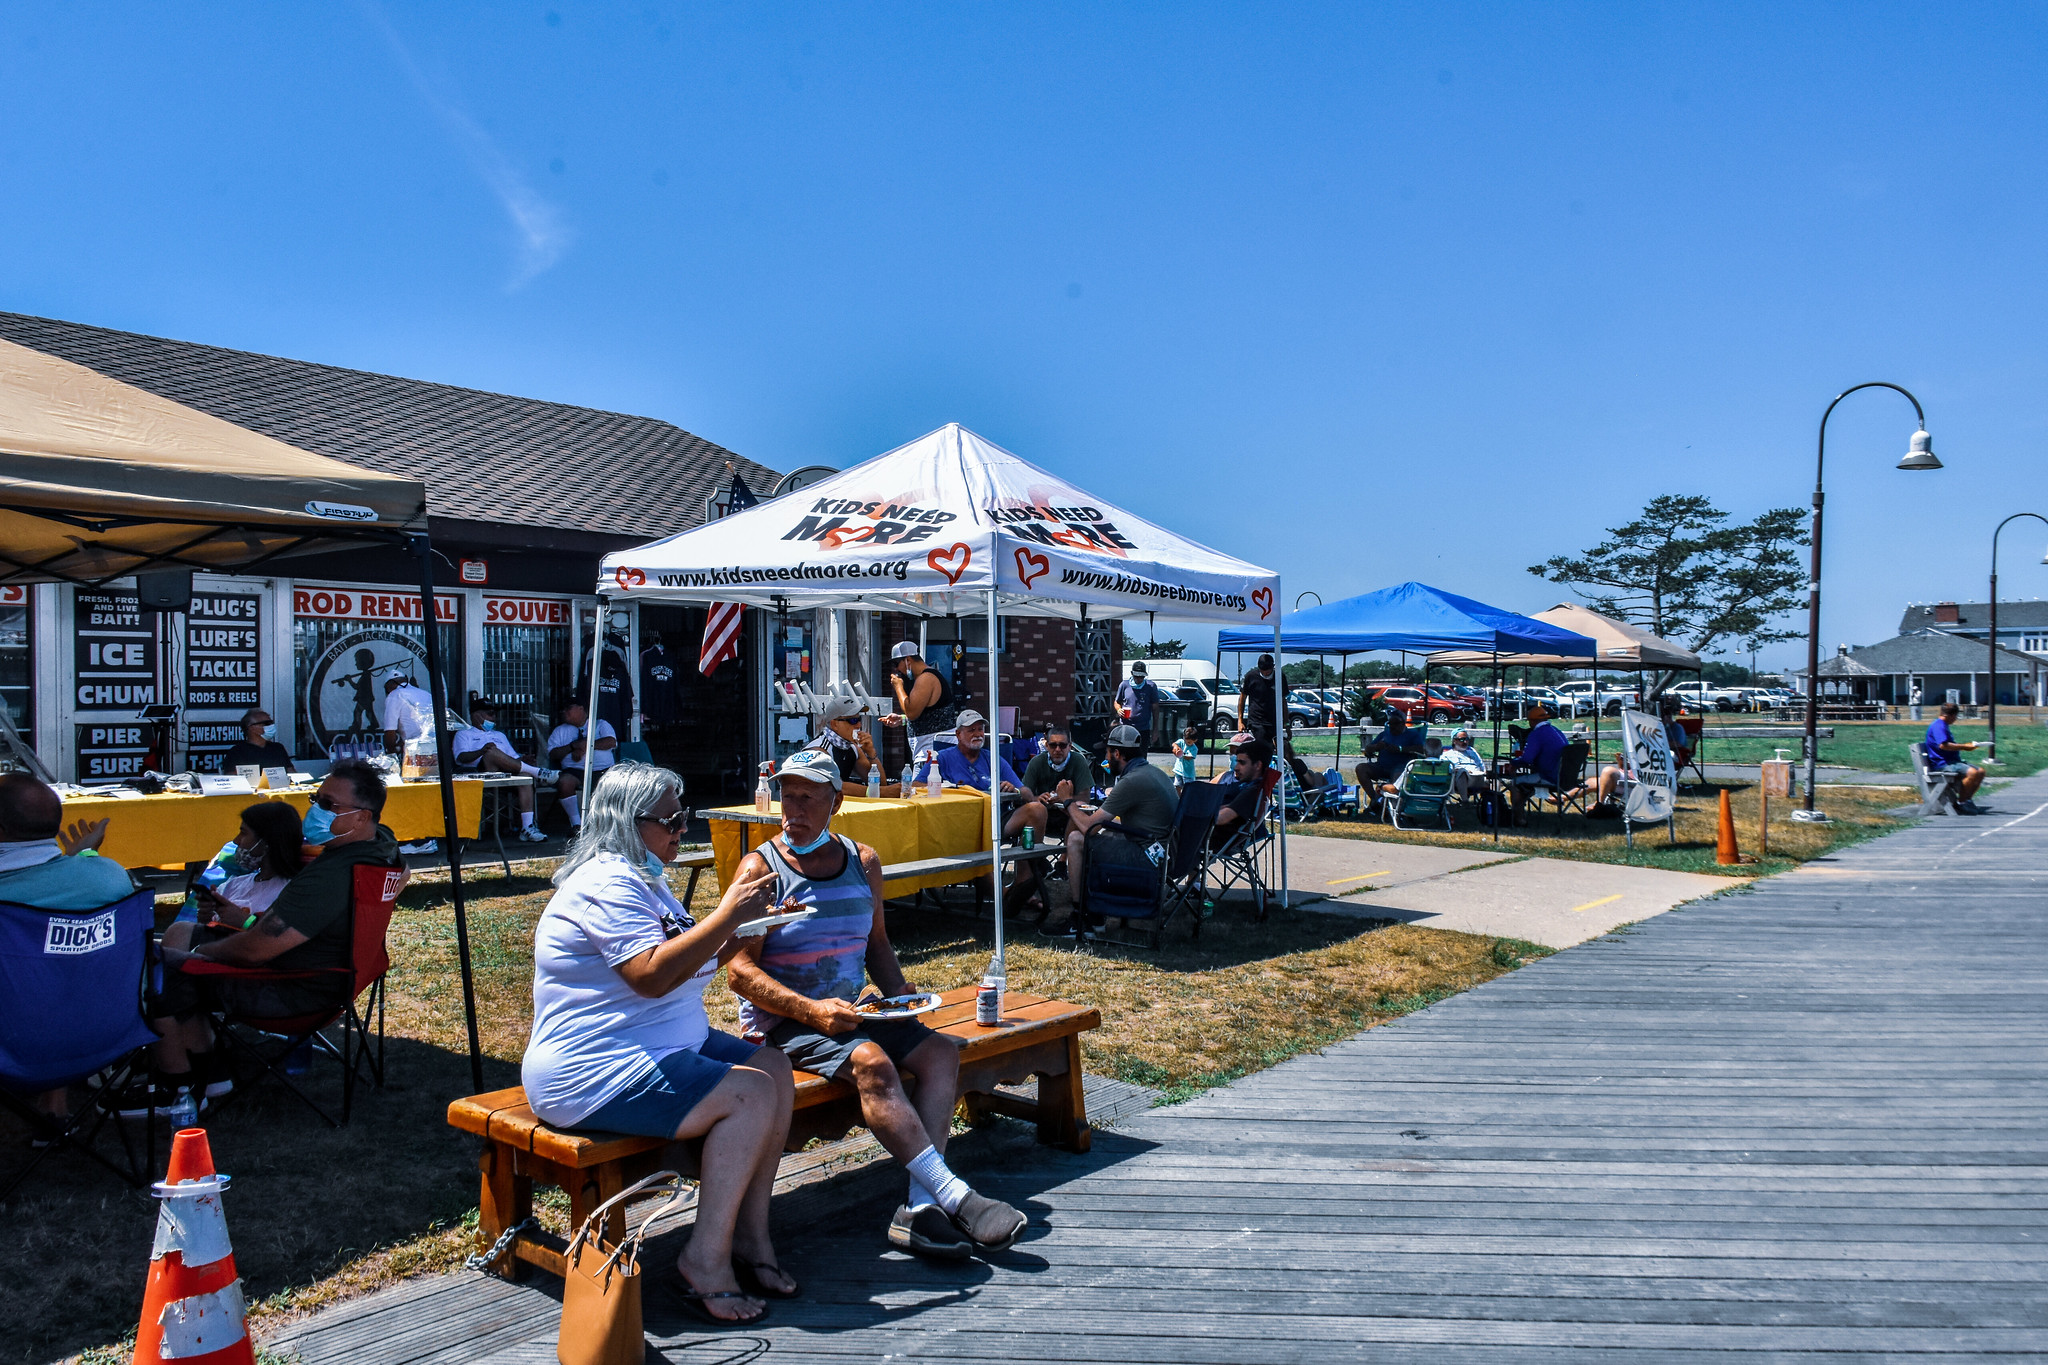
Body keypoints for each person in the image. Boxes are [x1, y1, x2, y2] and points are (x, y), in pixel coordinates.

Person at [726, 749, 1028, 1261]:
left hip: (852, 1012)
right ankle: (955, 1195)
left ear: (836, 803)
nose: (793, 809)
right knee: (873, 1063)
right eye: (787, 796)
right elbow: (739, 971)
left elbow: (877, 945)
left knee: (940, 1053)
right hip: (785, 1023)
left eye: (807, 798)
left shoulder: (862, 861)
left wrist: (903, 1001)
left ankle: (919, 1206)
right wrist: (811, 1011)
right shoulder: (761, 868)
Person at [523, 761, 796, 1324]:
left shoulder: (645, 878)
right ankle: (705, 1260)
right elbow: (650, 976)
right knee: (749, 1095)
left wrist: (749, 926)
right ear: (627, 821)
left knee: (775, 1069)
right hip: (595, 1067)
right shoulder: (607, 884)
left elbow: (687, 963)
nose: (681, 829)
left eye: (683, 816)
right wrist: (728, 913)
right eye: (670, 821)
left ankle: (750, 1235)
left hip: (659, 1044)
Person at [135, 760, 401, 1118]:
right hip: (338, 976)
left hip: (294, 990)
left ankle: (179, 1087)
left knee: (162, 969)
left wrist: (202, 953)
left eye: (329, 805)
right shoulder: (382, 847)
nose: (315, 811)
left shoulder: (330, 876)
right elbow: (404, 872)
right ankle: (210, 1072)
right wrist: (239, 926)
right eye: (316, 799)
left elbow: (254, 950)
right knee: (182, 938)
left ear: (361, 817)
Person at [0, 774, 134, 1121]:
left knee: (35, 983)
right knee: (57, 969)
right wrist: (83, 856)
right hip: (106, 1031)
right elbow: (52, 878)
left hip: (12, 1045)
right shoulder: (109, 876)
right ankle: (54, 1108)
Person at [1054, 724, 1178, 938]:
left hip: (1149, 859)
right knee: (1110, 834)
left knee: (1076, 839)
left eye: (1107, 752)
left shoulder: (1132, 781)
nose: (1105, 757)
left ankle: (1080, 918)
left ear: (1117, 754)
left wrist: (1067, 800)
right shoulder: (1154, 773)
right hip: (1164, 852)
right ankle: (1096, 915)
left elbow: (1089, 828)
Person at [185, 802, 305, 932]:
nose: (236, 841)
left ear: (267, 841)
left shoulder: (293, 893)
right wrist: (205, 916)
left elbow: (288, 938)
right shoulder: (232, 885)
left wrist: (246, 922)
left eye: (243, 833)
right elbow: (207, 932)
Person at [453, 700, 558, 843]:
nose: (494, 718)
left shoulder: (499, 735)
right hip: (481, 772)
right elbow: (461, 758)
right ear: (477, 715)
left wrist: (523, 759)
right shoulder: (464, 734)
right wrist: (482, 750)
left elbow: (513, 758)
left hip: (507, 772)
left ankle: (527, 827)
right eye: (490, 714)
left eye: (495, 714)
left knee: (525, 775)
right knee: (491, 751)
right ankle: (539, 773)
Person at [1584, 698, 1692, 813]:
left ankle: (1599, 804)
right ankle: (1571, 798)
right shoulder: (1652, 737)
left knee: (1606, 776)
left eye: (1662, 717)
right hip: (1633, 772)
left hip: (1662, 765)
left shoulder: (1676, 729)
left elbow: (1678, 744)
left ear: (1668, 717)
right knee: (1593, 781)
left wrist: (1658, 745)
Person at [880, 640, 960, 756]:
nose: (897, 669)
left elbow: (911, 713)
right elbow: (931, 715)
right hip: (929, 751)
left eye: (896, 664)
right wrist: (902, 719)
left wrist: (898, 687)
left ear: (908, 660)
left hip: (933, 754)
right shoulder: (924, 678)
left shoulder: (925, 678)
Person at [548, 700, 617, 832]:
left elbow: (611, 742)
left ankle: (611, 824)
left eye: (568, 708)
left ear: (581, 708)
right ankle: (577, 824)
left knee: (616, 784)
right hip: (574, 771)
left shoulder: (600, 724)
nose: (564, 712)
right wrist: (573, 746)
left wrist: (585, 744)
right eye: (563, 709)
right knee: (565, 782)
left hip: (602, 770)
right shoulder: (560, 730)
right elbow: (553, 754)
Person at [806, 695, 883, 795]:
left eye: (859, 719)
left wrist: (871, 753)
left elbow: (880, 784)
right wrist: (881, 792)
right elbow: (836, 786)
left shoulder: (852, 748)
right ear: (835, 724)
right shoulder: (818, 751)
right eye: (852, 720)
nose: (859, 725)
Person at [1506, 701, 1567, 822]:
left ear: (1532, 721)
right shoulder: (1556, 731)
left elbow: (1527, 759)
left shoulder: (1537, 734)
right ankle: (1520, 811)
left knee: (1514, 783)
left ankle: (1518, 817)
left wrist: (1514, 763)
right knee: (1526, 784)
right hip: (1564, 777)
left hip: (1548, 776)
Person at [1208, 734, 1270, 848]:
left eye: (1242, 762)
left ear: (1257, 765)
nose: (1236, 766)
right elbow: (1206, 794)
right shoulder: (1227, 777)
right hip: (1212, 833)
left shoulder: (1252, 791)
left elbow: (1222, 818)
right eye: (1232, 754)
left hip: (1212, 838)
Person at [1925, 702, 1987, 813]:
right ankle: (1961, 803)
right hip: (1943, 764)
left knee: (1981, 772)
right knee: (1972, 773)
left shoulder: (1943, 725)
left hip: (1953, 761)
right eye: (1955, 716)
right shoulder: (1939, 725)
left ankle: (1967, 800)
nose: (1955, 719)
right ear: (1950, 715)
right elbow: (1943, 745)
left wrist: (1965, 746)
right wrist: (1964, 747)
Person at [224, 707, 292, 774]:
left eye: (271, 722)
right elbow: (232, 777)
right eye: (266, 723)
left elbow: (291, 772)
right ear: (251, 728)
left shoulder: (278, 748)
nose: (271, 726)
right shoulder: (237, 752)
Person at [381, 674, 438, 753]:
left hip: (416, 750)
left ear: (389, 685)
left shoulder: (394, 695)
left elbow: (390, 730)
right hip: (435, 746)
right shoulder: (426, 694)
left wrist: (391, 751)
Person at [1236, 653, 1279, 747]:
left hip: (1273, 720)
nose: (1265, 674)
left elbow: (1283, 700)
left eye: (1268, 671)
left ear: (1273, 667)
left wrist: (1286, 723)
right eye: (1263, 671)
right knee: (1261, 745)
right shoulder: (1250, 676)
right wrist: (1240, 720)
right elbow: (1242, 698)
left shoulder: (1279, 677)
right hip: (1256, 720)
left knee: (1273, 747)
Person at [1116, 664, 1162, 745]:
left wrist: (1155, 730)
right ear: (1132, 674)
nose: (1139, 679)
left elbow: (1155, 708)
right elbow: (1117, 702)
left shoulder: (1150, 686)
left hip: (1143, 728)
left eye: (1142, 677)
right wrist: (1119, 709)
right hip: (1126, 727)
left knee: (1141, 752)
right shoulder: (1124, 685)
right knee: (1126, 751)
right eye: (1136, 676)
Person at [1440, 729, 1489, 799]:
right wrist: (1457, 770)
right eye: (1462, 739)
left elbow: (1481, 764)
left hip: (1478, 777)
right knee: (1462, 772)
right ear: (1454, 741)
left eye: (1467, 739)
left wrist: (1484, 772)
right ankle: (1465, 801)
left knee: (1495, 774)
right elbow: (1445, 769)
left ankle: (1492, 801)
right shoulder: (1446, 755)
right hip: (1459, 779)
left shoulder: (1472, 752)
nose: (1465, 742)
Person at [1170, 725, 1200, 790]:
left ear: (1195, 740)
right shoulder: (1181, 742)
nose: (1186, 742)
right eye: (1185, 740)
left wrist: (1181, 754)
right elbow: (1174, 744)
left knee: (1188, 788)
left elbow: (1189, 757)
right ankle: (1179, 796)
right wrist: (1176, 747)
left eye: (1189, 742)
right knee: (1177, 786)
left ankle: (1186, 796)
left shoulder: (1194, 748)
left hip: (1188, 773)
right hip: (1178, 770)